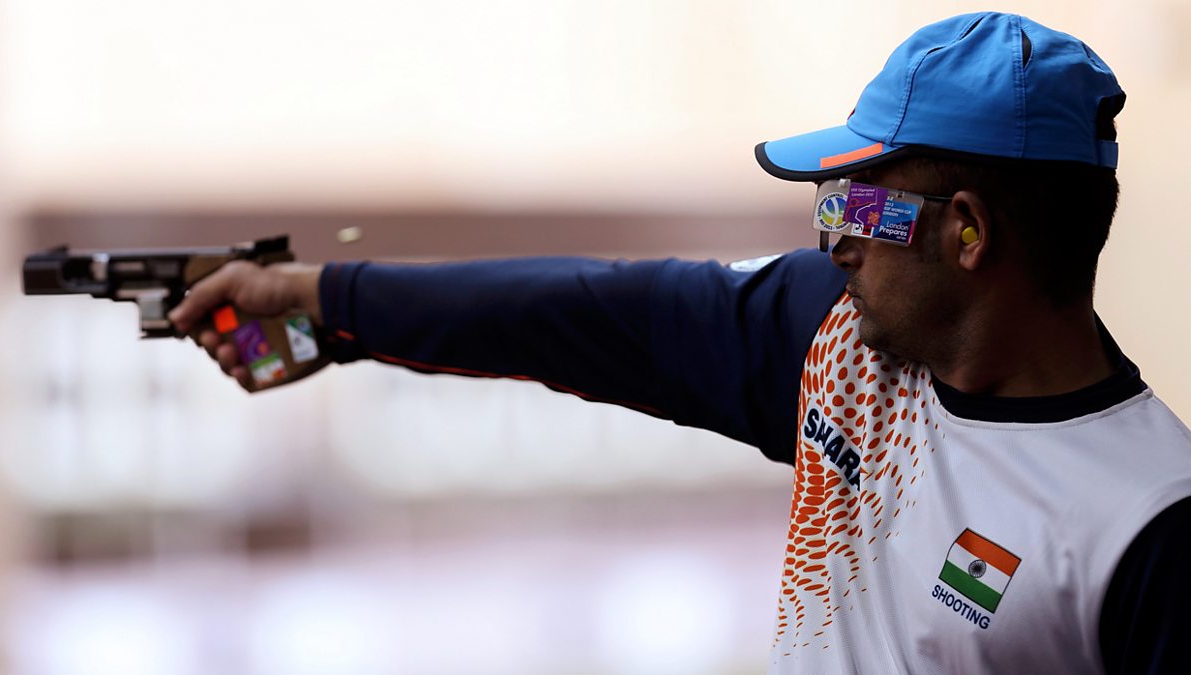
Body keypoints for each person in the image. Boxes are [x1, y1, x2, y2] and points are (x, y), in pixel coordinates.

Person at [168, 12, 1190, 674]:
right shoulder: (840, 341)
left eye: (856, 204)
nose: (829, 240)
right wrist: (323, 303)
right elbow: (584, 311)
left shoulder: (1150, 527)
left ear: (967, 232)